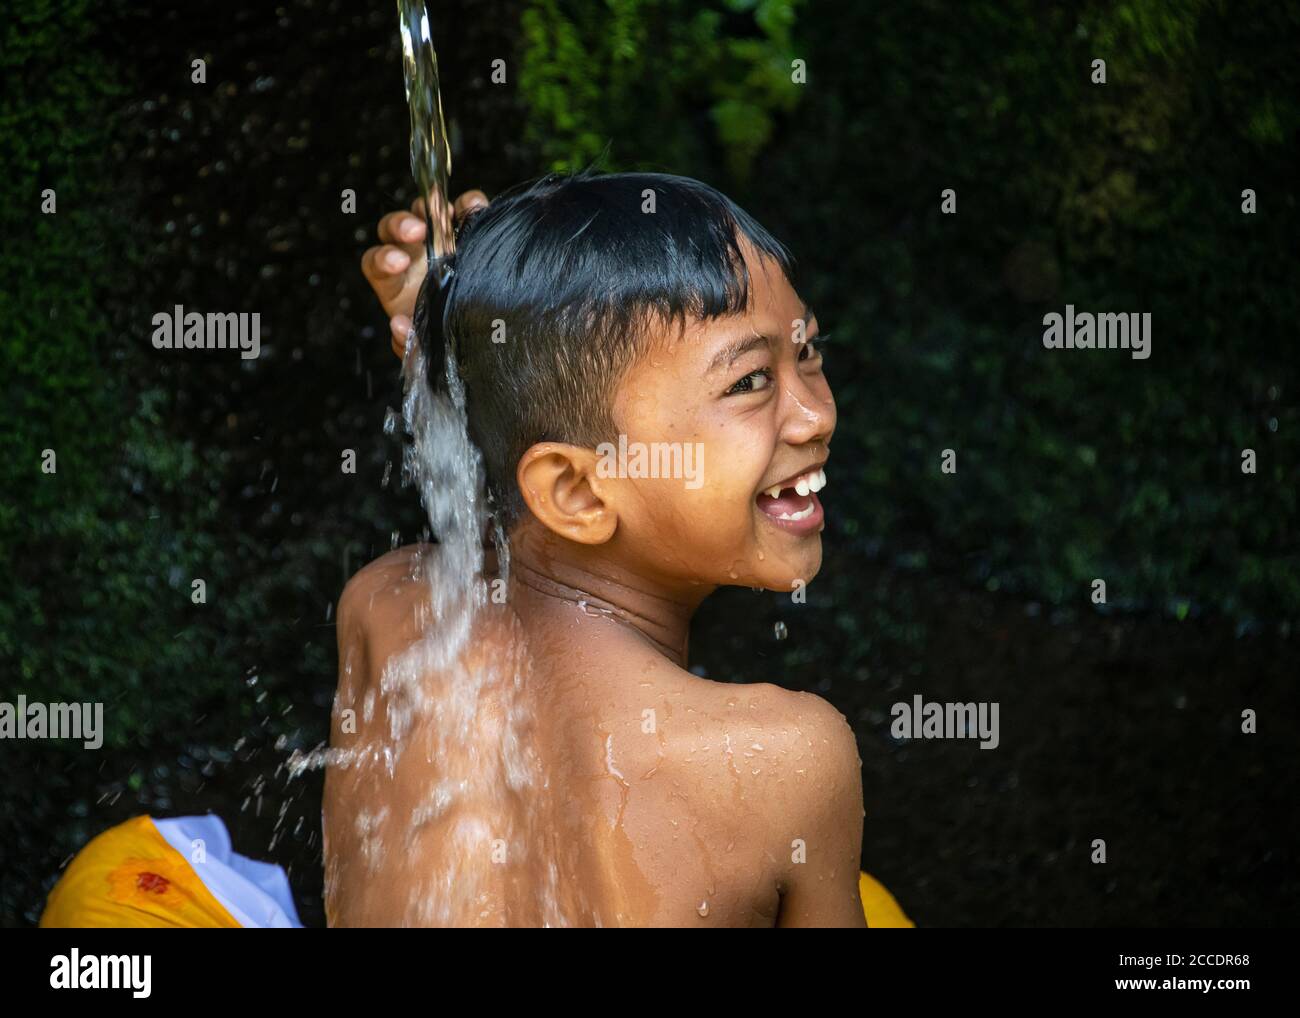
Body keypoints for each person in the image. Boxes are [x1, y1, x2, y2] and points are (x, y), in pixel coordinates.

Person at [331, 170, 915, 927]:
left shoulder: (385, 608)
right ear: (575, 492)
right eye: (749, 381)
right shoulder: (785, 759)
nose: (814, 414)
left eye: (807, 350)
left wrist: (459, 360)